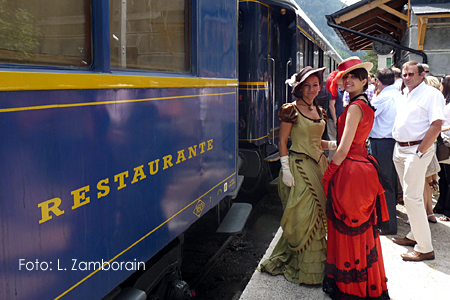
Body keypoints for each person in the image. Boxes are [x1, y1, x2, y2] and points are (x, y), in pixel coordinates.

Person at [259, 66, 336, 285]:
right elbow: (283, 141)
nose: (312, 90)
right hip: (299, 167)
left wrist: (333, 144)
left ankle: (316, 265)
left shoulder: (319, 111)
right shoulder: (290, 110)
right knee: (303, 216)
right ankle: (303, 267)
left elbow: (315, 141)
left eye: (315, 85)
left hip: (319, 166)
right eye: (307, 86)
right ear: (299, 88)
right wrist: (285, 169)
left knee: (319, 218)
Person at [322, 57, 390, 299]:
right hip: (363, 168)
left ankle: (352, 289)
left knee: (348, 228)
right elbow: (351, 142)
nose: (348, 80)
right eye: (345, 77)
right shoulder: (364, 104)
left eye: (354, 76)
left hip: (350, 172)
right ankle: (367, 284)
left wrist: (328, 174)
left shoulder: (353, 107)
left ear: (364, 81)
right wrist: (329, 143)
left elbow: (342, 150)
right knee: (363, 231)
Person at [391, 61, 445, 262]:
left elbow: (437, 124)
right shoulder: (406, 93)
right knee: (412, 197)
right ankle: (415, 235)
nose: (407, 77)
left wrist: (421, 152)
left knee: (411, 197)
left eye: (411, 74)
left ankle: (424, 248)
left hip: (416, 150)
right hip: (401, 148)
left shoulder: (432, 95)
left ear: (422, 74)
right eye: (404, 74)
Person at [368, 67, 400, 235]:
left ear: (378, 82)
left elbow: (368, 116)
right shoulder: (399, 95)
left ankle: (387, 224)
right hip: (394, 142)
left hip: (381, 143)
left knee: (383, 183)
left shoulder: (382, 98)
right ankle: (389, 220)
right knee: (391, 183)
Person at [434, 74, 450, 221]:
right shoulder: (445, 103)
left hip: (447, 144)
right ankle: (441, 206)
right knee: (444, 178)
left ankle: (447, 210)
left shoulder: (446, 105)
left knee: (447, 178)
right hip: (444, 144)